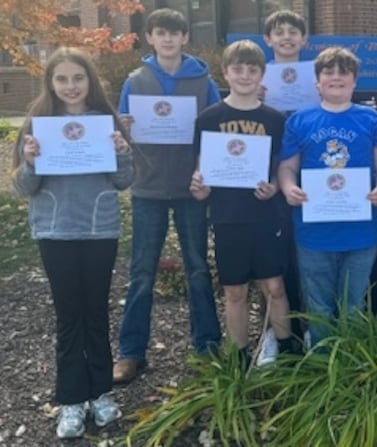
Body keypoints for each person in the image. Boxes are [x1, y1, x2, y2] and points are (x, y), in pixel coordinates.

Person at [12, 47, 133, 438]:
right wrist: (30, 161)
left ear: (89, 81)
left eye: (77, 78)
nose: (70, 86)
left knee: (96, 313)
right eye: (61, 79)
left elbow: (124, 181)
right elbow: (22, 186)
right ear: (50, 82)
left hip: (100, 229)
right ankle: (70, 401)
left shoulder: (106, 121)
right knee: (69, 318)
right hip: (55, 230)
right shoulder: (38, 122)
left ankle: (100, 393)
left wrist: (123, 152)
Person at [114, 8, 222, 383]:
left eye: (175, 33)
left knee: (197, 268)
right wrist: (122, 129)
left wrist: (203, 169)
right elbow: (123, 137)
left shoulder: (204, 80)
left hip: (190, 188)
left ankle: (207, 345)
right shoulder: (135, 80)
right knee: (141, 272)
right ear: (150, 37)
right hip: (148, 188)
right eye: (161, 33)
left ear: (186, 38)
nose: (168, 39)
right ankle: (131, 352)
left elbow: (214, 132)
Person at [188, 40, 295, 367]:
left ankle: (286, 353)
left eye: (252, 69)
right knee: (234, 291)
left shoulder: (275, 119)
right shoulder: (208, 118)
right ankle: (238, 357)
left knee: (274, 287)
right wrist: (199, 188)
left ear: (262, 75)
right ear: (225, 73)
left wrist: (275, 187)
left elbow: (282, 166)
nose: (245, 75)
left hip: (266, 216)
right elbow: (201, 170)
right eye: (238, 69)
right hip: (227, 217)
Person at [277, 47, 377, 347]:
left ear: (355, 81)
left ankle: (349, 369)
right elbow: (287, 167)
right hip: (314, 233)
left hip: (361, 232)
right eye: (329, 72)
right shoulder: (300, 121)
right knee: (319, 308)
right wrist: (289, 187)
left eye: (344, 73)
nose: (336, 78)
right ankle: (321, 368)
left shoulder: (371, 119)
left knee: (353, 307)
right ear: (317, 82)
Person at [257, 9, 311, 356]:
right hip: (265, 180)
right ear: (269, 40)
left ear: (304, 40)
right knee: (270, 260)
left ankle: (307, 329)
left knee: (306, 256)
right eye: (280, 32)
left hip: (309, 178)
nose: (287, 37)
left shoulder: (315, 80)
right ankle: (271, 333)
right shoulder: (256, 82)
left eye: (294, 32)